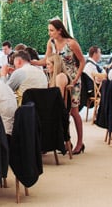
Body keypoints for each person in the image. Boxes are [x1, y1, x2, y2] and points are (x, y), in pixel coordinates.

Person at [43, 18, 86, 154]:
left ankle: (80, 143)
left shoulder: (71, 43)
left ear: (59, 30)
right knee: (63, 111)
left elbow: (82, 61)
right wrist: (30, 62)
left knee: (74, 111)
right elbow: (46, 60)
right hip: (59, 78)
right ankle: (67, 140)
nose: (49, 33)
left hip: (73, 79)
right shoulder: (51, 43)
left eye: (51, 30)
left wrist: (76, 79)